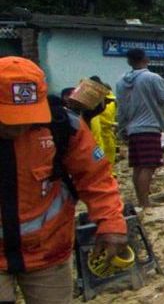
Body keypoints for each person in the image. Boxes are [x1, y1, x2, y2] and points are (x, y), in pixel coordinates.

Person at [0, 57, 128, 302]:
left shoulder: (63, 127)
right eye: (10, 117)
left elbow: (95, 177)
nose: (19, 126)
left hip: (48, 254)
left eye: (26, 116)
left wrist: (111, 224)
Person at [116, 48, 164, 209]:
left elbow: (120, 107)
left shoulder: (121, 82)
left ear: (129, 61)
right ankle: (144, 202)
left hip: (132, 128)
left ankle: (142, 199)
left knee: (138, 166)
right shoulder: (152, 78)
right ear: (146, 59)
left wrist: (122, 129)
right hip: (149, 127)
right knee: (148, 165)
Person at [89, 91, 118, 175]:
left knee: (109, 154)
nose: (108, 102)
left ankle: (109, 173)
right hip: (97, 140)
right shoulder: (91, 113)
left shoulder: (110, 105)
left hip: (107, 135)